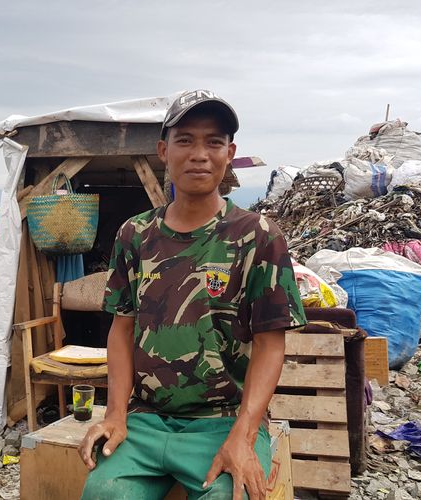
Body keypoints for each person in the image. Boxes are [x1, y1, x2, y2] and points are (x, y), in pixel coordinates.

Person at [78, 90, 307, 500]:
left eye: (214, 142)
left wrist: (244, 433)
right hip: (147, 420)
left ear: (229, 153)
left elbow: (271, 344)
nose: (199, 154)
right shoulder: (135, 235)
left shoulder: (258, 236)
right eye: (185, 140)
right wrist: (115, 414)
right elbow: (121, 328)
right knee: (103, 492)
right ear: (164, 151)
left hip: (223, 421)